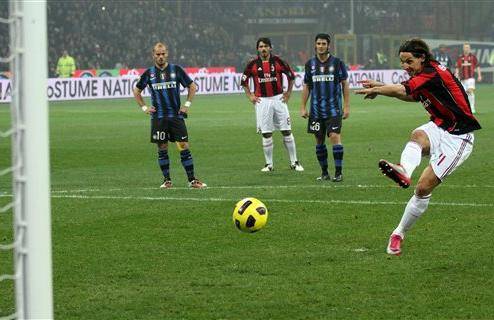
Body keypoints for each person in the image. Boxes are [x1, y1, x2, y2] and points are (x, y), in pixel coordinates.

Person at [355, 38, 481, 255]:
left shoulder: (432, 72)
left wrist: (381, 89)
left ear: (422, 58)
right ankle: (404, 169)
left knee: (423, 188)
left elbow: (402, 89)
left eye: (409, 61)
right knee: (418, 135)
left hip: (459, 137)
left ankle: (398, 233)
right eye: (402, 62)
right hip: (440, 126)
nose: (405, 66)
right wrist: (380, 87)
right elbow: (410, 95)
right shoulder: (423, 74)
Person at [133, 42, 206, 189]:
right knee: (162, 148)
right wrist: (144, 107)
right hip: (158, 118)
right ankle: (167, 181)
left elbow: (192, 86)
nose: (160, 57)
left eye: (163, 54)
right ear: (153, 55)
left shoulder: (176, 70)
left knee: (184, 146)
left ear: (167, 54)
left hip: (176, 117)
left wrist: (187, 105)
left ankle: (192, 180)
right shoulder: (149, 73)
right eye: (157, 54)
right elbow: (136, 90)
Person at [241, 37, 303, 172]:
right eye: (261, 46)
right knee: (266, 133)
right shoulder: (252, 65)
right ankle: (269, 164)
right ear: (258, 49)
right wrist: (250, 95)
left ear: (270, 48)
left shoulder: (279, 61)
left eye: (265, 46)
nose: (263, 49)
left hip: (279, 99)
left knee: (286, 130)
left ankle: (295, 162)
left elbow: (291, 77)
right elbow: (244, 81)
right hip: (262, 102)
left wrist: (288, 93)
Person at [300, 33, 350, 182]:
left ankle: (338, 173)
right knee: (319, 140)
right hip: (316, 111)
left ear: (329, 45)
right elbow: (307, 86)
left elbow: (344, 84)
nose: (321, 46)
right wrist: (303, 107)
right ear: (315, 45)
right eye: (318, 43)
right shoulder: (310, 64)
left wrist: (346, 106)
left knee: (334, 137)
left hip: (334, 109)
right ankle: (324, 173)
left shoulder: (337, 63)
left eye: (323, 44)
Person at [455, 43, 482, 114]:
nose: (466, 49)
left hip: (470, 78)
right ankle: (465, 108)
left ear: (469, 48)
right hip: (462, 79)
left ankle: (472, 108)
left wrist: (479, 75)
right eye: (465, 47)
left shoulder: (473, 57)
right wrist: (456, 74)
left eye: (467, 47)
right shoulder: (460, 57)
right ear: (463, 48)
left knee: (470, 91)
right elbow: (457, 68)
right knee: (463, 94)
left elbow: (477, 66)